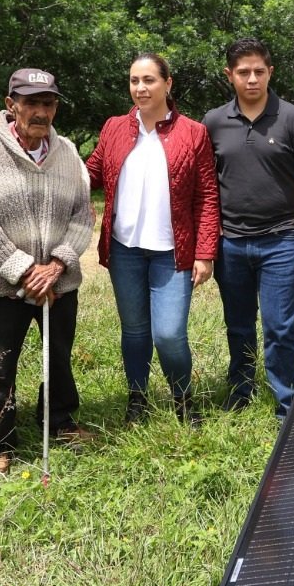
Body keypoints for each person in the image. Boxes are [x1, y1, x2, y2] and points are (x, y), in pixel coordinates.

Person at [0, 68, 93, 473]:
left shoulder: (68, 151)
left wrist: (55, 265)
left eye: (47, 103)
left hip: (58, 282)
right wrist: (22, 269)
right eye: (30, 102)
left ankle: (60, 420)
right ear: (10, 104)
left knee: (59, 356)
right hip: (1, 284)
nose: (39, 111)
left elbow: (83, 216)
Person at [86, 53, 219, 424]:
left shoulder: (193, 132)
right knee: (134, 330)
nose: (140, 88)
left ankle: (182, 398)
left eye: (149, 80)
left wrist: (205, 252)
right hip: (124, 248)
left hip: (172, 252)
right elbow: (91, 172)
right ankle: (137, 397)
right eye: (134, 81)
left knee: (169, 334)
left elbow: (206, 195)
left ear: (167, 83)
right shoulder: (114, 127)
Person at [203, 38, 294, 418]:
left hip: (281, 239)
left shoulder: (292, 119)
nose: (252, 79)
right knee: (237, 325)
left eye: (259, 71)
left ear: (271, 72)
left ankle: (289, 403)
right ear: (229, 75)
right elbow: (205, 185)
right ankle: (241, 391)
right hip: (230, 243)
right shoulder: (214, 122)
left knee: (280, 326)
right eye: (243, 72)